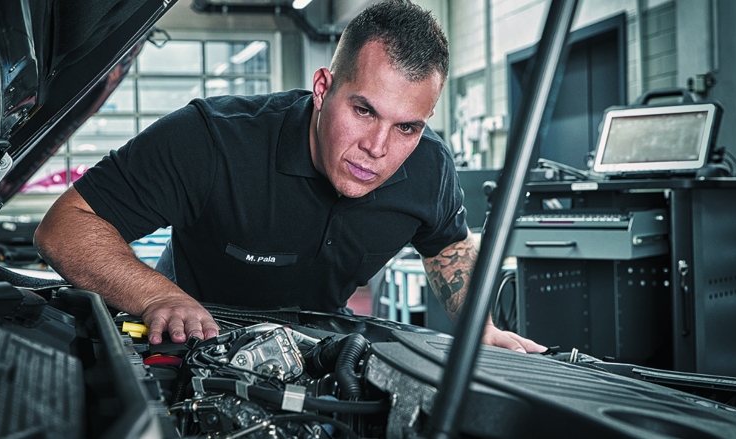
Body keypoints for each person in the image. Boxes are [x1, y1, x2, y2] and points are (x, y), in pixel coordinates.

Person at [34, 0, 544, 353]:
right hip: (192, 343)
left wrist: (480, 324)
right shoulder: (213, 140)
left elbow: (448, 247)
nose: (379, 148)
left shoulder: (428, 165)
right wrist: (158, 297)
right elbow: (65, 226)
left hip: (318, 351)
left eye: (407, 126)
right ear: (323, 87)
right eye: (363, 110)